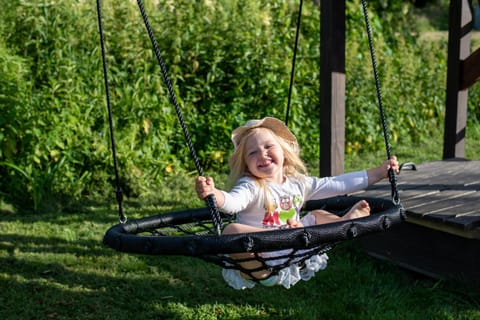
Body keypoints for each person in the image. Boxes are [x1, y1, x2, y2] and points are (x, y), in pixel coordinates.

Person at [195, 117, 399, 289]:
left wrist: (379, 173)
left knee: (318, 214)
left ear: (284, 152)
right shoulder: (251, 186)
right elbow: (232, 202)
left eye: (268, 147)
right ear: (246, 164)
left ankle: (344, 222)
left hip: (296, 244)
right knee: (231, 231)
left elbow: (337, 184)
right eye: (252, 153)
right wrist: (214, 194)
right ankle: (267, 275)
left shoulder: (297, 183)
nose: (262, 154)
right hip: (259, 253)